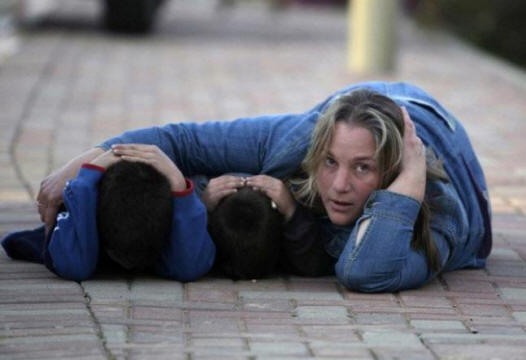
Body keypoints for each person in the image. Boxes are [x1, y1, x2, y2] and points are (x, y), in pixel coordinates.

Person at [34, 81, 492, 292]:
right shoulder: (297, 140)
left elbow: (365, 271)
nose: (337, 185)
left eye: (362, 170)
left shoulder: (440, 211)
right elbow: (181, 139)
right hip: (363, 102)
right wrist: (77, 166)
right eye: (330, 163)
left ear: (391, 172)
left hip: (436, 131)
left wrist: (409, 181)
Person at [2, 147, 215, 282]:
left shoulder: (168, 228)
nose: (130, 266)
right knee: (27, 243)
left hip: (151, 218)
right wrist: (87, 176)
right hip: (87, 228)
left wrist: (178, 184)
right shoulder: (84, 224)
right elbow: (74, 267)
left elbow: (189, 268)